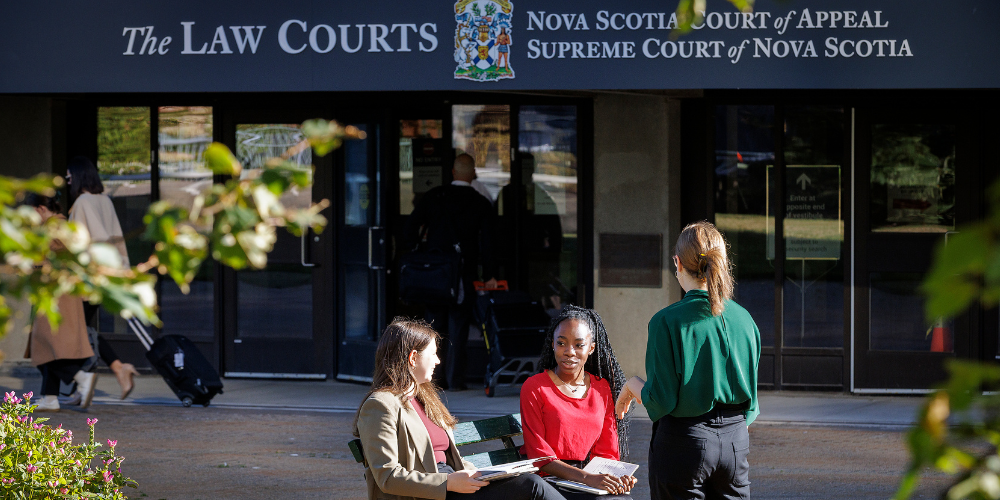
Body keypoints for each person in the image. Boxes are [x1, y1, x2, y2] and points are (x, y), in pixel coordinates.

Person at [615, 221, 761, 500]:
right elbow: (752, 404)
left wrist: (634, 385)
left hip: (684, 442)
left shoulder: (666, 321)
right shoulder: (745, 320)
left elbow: (662, 400)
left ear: (677, 263)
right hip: (735, 442)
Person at [353, 319, 565, 500]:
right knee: (531, 486)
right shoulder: (380, 405)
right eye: (433, 354)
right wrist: (448, 482)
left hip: (454, 483)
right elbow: (387, 477)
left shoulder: (424, 397)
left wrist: (479, 471)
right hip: (432, 492)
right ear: (413, 358)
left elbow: (446, 457)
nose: (438, 361)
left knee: (528, 481)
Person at [520, 306, 637, 499]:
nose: (569, 351)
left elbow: (607, 452)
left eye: (578, 345)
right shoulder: (534, 387)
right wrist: (587, 478)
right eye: (561, 343)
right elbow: (540, 457)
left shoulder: (601, 389)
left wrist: (616, 478)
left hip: (587, 480)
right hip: (550, 480)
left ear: (591, 347)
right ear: (553, 344)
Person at [407, 153, 497, 391]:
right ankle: (455, 379)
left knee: (431, 328)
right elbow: (487, 244)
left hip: (434, 272)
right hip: (462, 274)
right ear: (473, 174)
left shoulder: (434, 197)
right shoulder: (480, 203)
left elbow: (412, 225)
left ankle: (430, 379)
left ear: (454, 173)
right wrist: (489, 274)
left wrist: (415, 254)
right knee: (458, 328)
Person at [66, 156, 140, 400]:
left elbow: (77, 245)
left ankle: (114, 369)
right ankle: (86, 383)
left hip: (87, 277)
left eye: (69, 176)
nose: (67, 181)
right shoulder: (104, 201)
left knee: (73, 330)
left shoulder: (82, 203)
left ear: (78, 176)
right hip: (106, 275)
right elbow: (116, 237)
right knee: (84, 328)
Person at [22, 193, 98, 411]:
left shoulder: (54, 228)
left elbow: (44, 258)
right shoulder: (62, 225)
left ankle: (80, 377)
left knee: (46, 343)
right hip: (60, 294)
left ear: (39, 209)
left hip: (55, 295)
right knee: (47, 347)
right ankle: (50, 397)